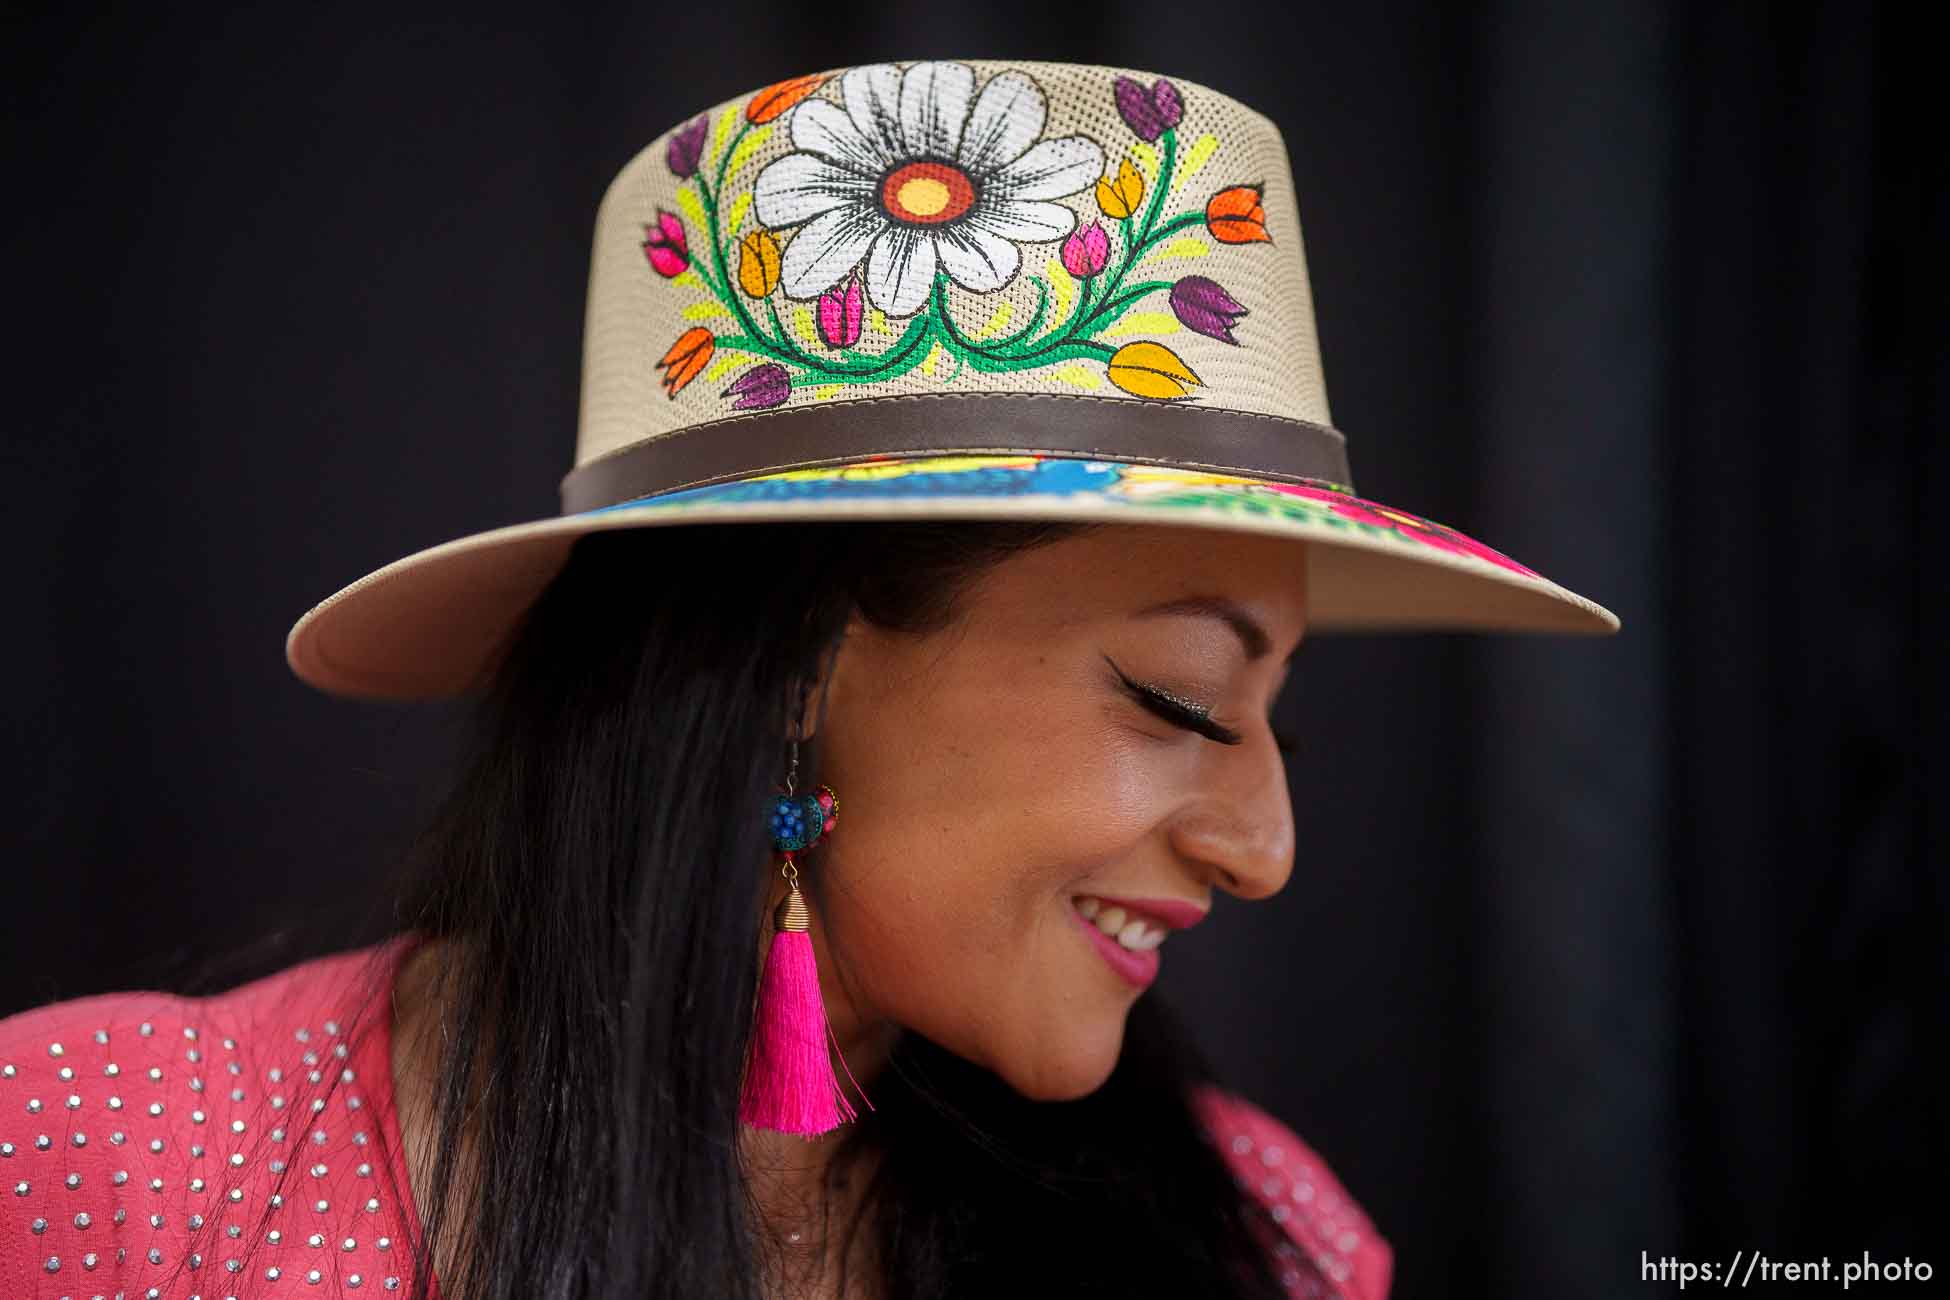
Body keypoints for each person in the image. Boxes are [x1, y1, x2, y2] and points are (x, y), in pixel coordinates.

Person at [0, 59, 1615, 1300]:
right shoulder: (108, 1161)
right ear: (786, 669)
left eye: (1272, 712)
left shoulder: (1265, 1238)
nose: (1263, 845)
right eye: (1182, 697)